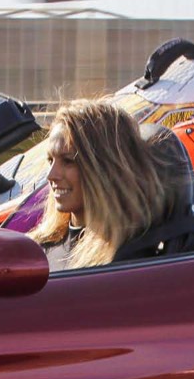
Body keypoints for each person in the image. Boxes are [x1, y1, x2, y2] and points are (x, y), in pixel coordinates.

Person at [28, 98, 168, 271]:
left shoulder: (128, 261)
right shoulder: (39, 249)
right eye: (51, 160)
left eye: (68, 161)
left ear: (106, 169)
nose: (51, 175)